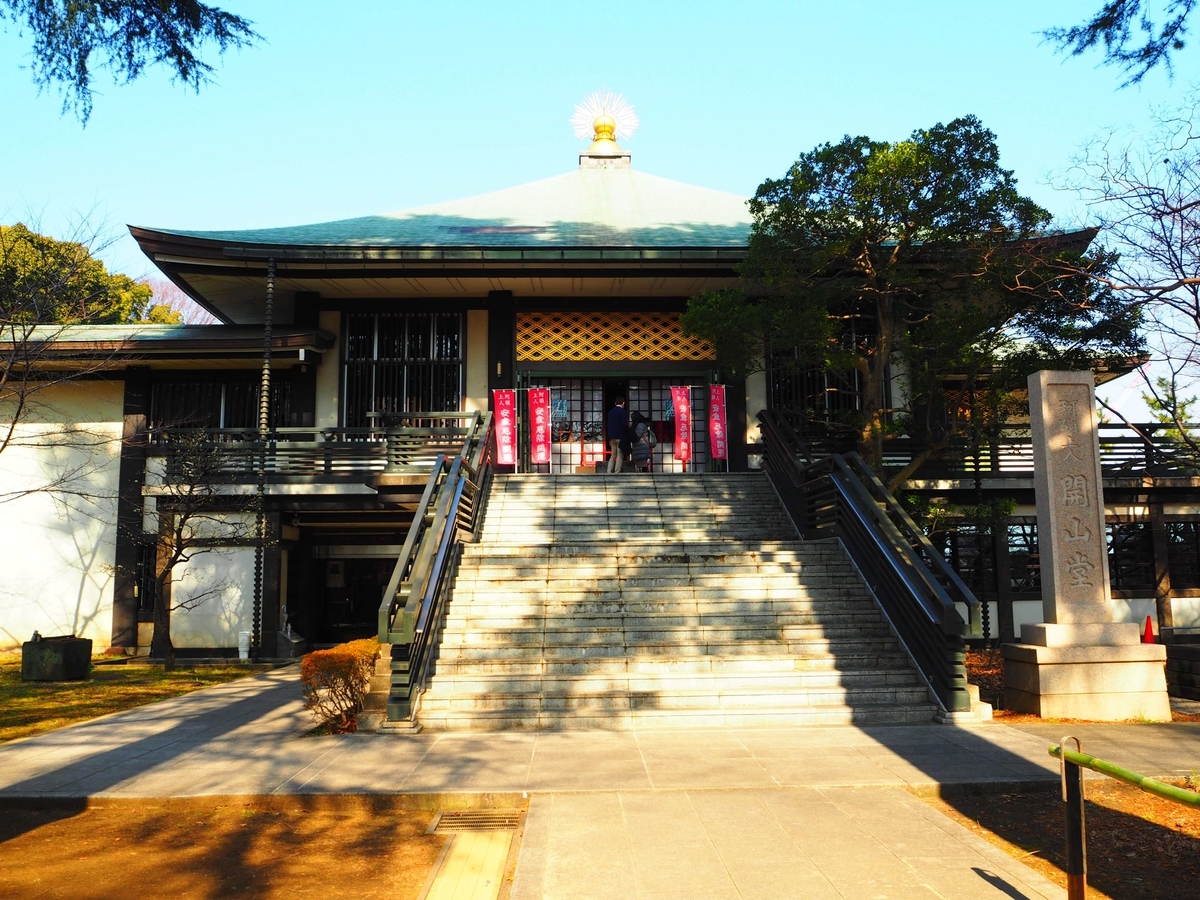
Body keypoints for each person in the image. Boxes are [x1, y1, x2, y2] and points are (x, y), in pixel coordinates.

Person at [606, 397, 627, 473]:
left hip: (612, 436)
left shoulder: (610, 412)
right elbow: (624, 425)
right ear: (623, 403)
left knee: (613, 455)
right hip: (620, 436)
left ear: (615, 403)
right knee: (620, 455)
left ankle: (609, 471)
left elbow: (608, 425)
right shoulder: (622, 412)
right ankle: (617, 471)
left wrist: (609, 437)